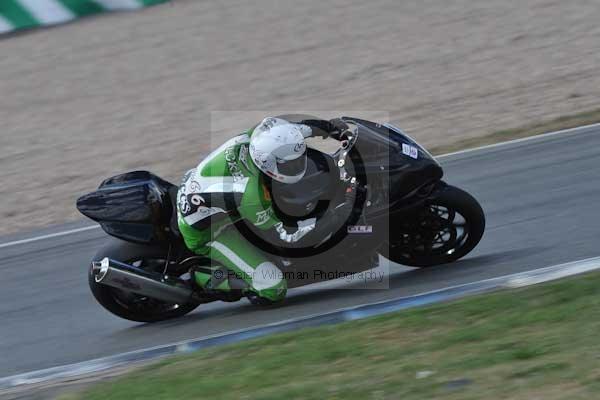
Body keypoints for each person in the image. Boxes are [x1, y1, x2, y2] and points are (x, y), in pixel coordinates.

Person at [177, 116, 347, 304]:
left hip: (198, 188)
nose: (298, 165)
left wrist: (330, 128)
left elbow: (292, 133)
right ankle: (206, 278)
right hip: (209, 234)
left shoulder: (256, 139)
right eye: (289, 164)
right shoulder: (252, 197)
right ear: (267, 163)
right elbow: (287, 235)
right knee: (274, 288)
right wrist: (337, 216)